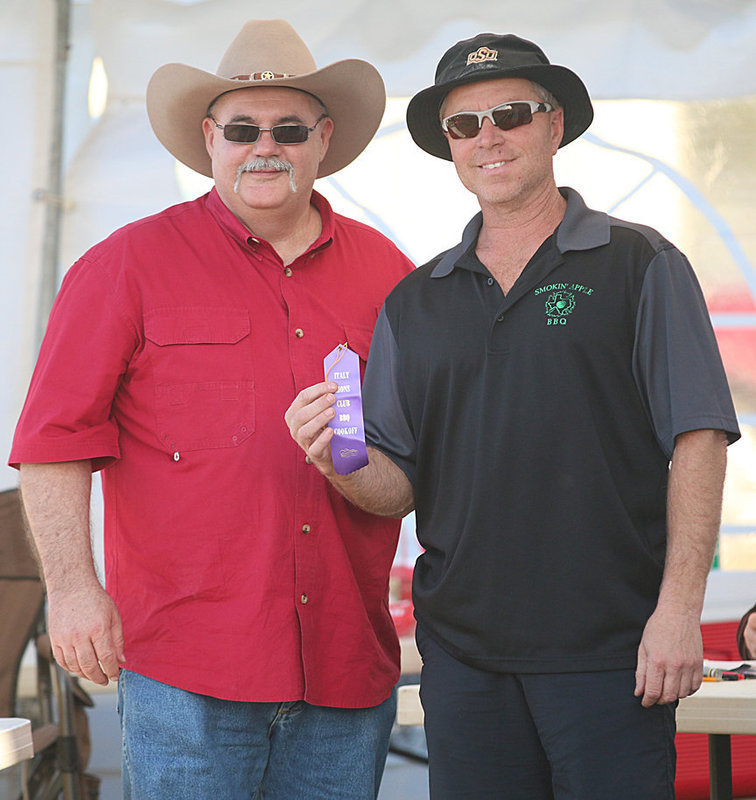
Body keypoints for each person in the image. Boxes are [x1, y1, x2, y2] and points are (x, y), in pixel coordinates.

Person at [286, 32, 741, 799]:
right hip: (464, 662)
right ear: (449, 148)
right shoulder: (416, 298)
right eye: (464, 125)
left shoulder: (641, 263)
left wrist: (678, 614)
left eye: (511, 114)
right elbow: (396, 486)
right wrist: (339, 459)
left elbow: (699, 438)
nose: (487, 136)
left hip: (613, 651)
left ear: (555, 125)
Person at [10, 19, 413, 800]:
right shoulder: (125, 265)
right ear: (209, 137)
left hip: (343, 664)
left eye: (290, 129)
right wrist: (72, 590)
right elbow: (55, 443)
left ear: (323, 139)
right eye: (243, 129)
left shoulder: (391, 275)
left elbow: (418, 460)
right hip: (186, 671)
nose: (266, 146)